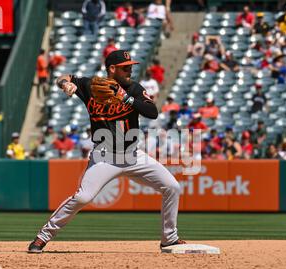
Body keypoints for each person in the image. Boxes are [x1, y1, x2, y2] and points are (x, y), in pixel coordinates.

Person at [28, 50, 186, 253]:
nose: (130, 70)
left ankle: (169, 239)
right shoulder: (91, 86)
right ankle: (43, 237)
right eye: (125, 67)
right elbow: (63, 76)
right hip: (104, 157)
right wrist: (65, 84)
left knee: (172, 186)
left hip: (133, 155)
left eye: (131, 66)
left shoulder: (134, 89)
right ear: (112, 69)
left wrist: (125, 98)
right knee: (83, 197)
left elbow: (152, 112)